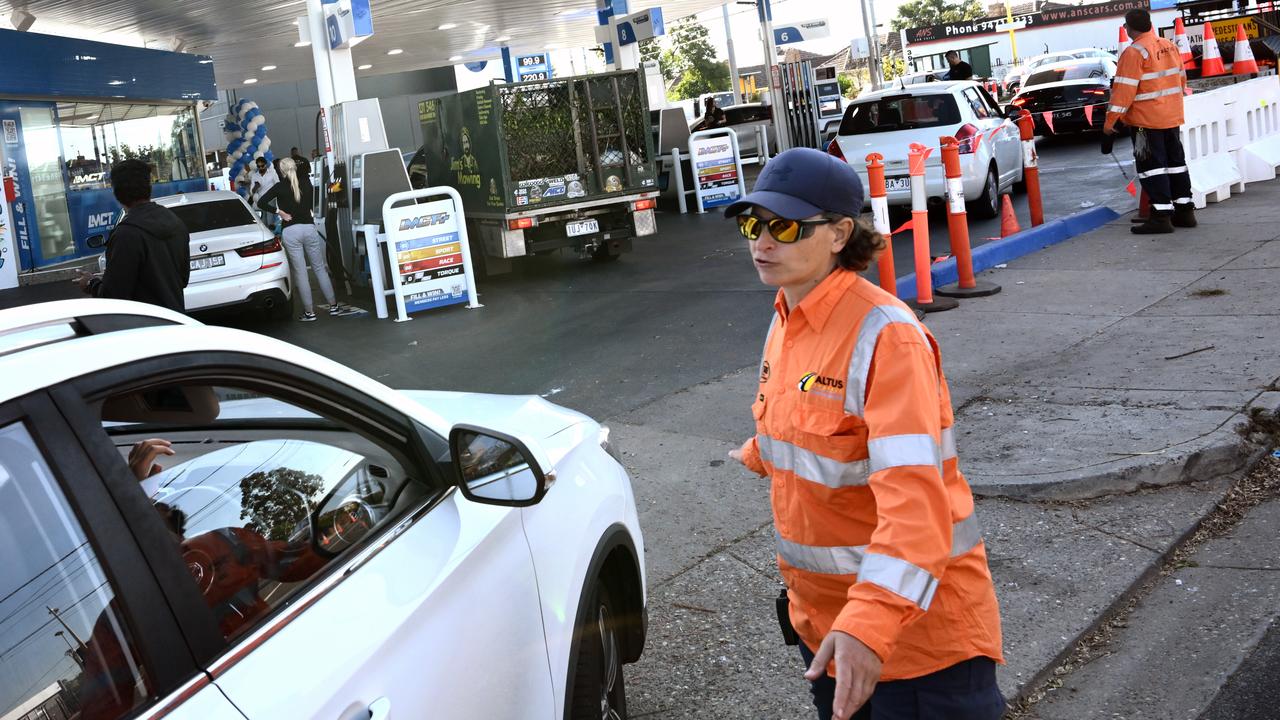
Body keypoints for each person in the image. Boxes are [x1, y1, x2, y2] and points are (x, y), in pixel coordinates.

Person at [725, 148, 1005, 720]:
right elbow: (820, 434)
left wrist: (868, 624)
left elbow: (916, 504)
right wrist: (761, 452)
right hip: (828, 633)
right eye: (753, 224)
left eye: (784, 227)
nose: (763, 242)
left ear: (839, 234)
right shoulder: (787, 320)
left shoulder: (887, 336)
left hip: (916, 646)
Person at [1104, 8, 1194, 234]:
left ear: (1129, 27)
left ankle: (1161, 217)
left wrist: (1110, 122)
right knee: (1176, 164)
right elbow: (1182, 79)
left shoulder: (1134, 52)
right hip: (1171, 116)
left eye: (1125, 25)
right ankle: (1185, 212)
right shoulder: (1169, 46)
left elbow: (1123, 92)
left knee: (1152, 168)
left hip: (1146, 122)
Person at [75, 159, 190, 313]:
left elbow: (113, 296)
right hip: (176, 318)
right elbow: (183, 279)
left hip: (143, 323)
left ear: (116, 193)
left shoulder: (126, 234)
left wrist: (91, 283)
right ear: (149, 187)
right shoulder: (175, 222)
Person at [257, 157, 359, 321]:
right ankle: (333, 306)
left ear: (281, 171)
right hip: (309, 228)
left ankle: (309, 313)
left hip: (290, 231)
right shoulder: (306, 183)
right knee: (319, 268)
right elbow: (321, 197)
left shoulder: (279, 187)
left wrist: (279, 212)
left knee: (301, 272)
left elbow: (261, 202)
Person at [250, 156, 281, 234]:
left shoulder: (272, 173)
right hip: (260, 200)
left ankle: (271, 235)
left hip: (271, 199)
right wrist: (256, 187)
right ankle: (267, 236)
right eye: (259, 166)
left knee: (270, 219)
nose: (260, 168)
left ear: (266, 165)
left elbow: (278, 184)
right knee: (263, 221)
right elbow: (252, 191)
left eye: (262, 165)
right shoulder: (255, 176)